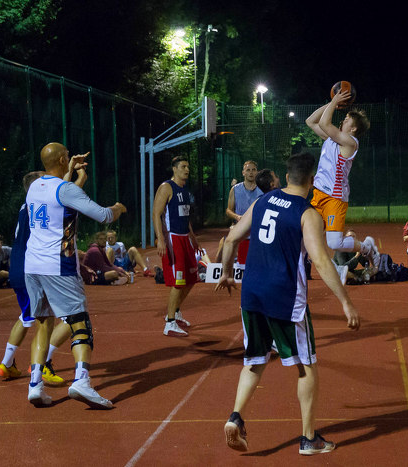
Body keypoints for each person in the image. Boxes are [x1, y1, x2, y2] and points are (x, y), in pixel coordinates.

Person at [215, 152, 360, 456]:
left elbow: (231, 239)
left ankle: (235, 416)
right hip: (284, 299)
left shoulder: (262, 201)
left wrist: (226, 272)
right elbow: (321, 260)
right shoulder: (307, 214)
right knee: (306, 365)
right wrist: (346, 302)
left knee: (254, 359)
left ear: (286, 175)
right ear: (311, 180)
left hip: (251, 295)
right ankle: (308, 438)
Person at [24, 142, 126, 408]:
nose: (70, 157)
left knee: (43, 323)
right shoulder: (65, 189)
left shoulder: (35, 187)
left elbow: (59, 195)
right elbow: (103, 216)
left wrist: (70, 172)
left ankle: (35, 384)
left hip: (32, 265)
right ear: (60, 160)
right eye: (67, 155)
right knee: (79, 320)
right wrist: (118, 208)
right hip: (58, 264)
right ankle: (81, 380)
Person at [0, 170, 72, 386]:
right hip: (34, 269)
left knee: (26, 316)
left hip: (17, 269)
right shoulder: (41, 205)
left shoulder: (25, 206)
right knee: (69, 317)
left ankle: (6, 364)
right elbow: (62, 195)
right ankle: (42, 365)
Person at [305, 90, 379, 271]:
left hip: (334, 198)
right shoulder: (332, 138)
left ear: (353, 129)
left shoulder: (350, 142)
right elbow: (311, 121)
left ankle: (367, 247)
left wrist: (334, 101)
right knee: (305, 235)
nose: (343, 120)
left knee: (334, 242)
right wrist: (333, 103)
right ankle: (333, 271)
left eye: (347, 119)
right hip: (318, 195)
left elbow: (324, 123)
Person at [153, 155, 201, 337]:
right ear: (174, 169)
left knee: (192, 278)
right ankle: (170, 322)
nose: (186, 170)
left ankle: (176, 311)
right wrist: (161, 239)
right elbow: (156, 214)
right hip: (172, 238)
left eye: (188, 167)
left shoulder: (185, 190)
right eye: (183, 167)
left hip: (185, 238)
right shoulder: (166, 187)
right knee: (179, 282)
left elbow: (185, 217)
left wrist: (193, 237)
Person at [226, 160, 263, 264]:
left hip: (258, 235)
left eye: (253, 170)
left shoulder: (263, 189)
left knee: (258, 265)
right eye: (248, 170)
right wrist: (237, 217)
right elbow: (228, 210)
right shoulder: (235, 189)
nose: (251, 172)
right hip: (242, 235)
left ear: (257, 172)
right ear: (243, 173)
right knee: (242, 265)